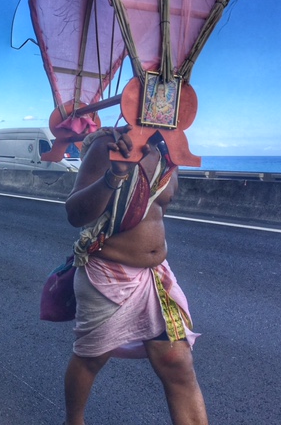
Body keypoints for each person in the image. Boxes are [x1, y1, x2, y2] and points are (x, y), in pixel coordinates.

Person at [63, 125, 207, 425]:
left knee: (178, 363)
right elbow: (75, 213)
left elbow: (154, 213)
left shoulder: (166, 149)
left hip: (155, 277)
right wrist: (114, 175)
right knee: (91, 359)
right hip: (107, 276)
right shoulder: (110, 144)